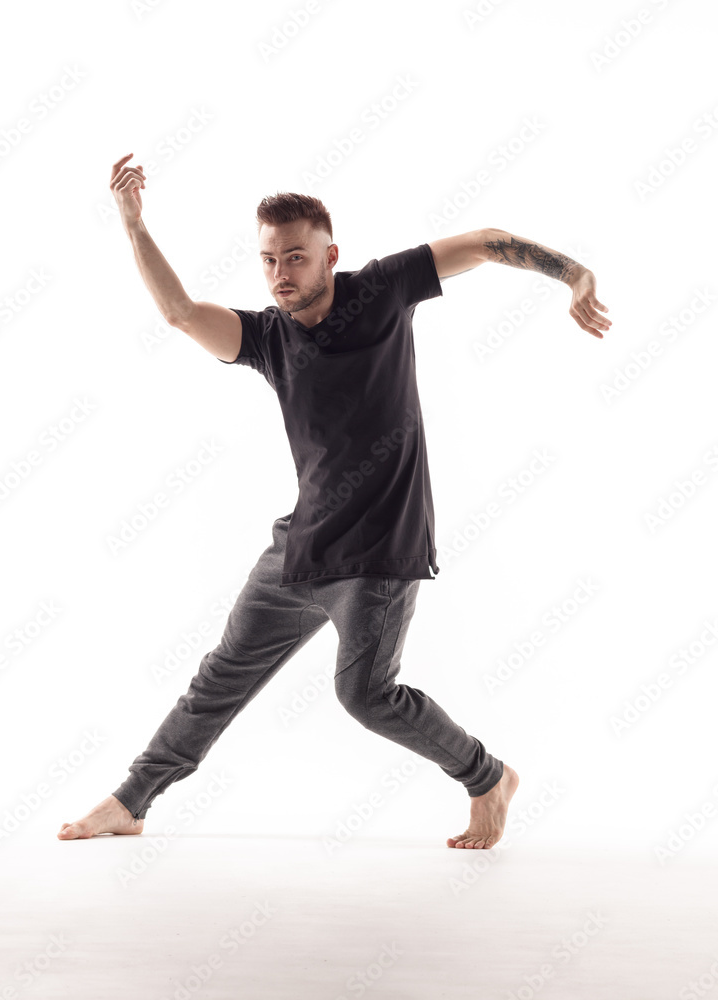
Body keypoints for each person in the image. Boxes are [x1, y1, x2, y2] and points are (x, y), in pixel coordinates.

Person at [58, 154, 611, 849]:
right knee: (222, 673)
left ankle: (488, 777)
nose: (281, 273)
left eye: (295, 256)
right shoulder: (268, 337)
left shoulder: (380, 291)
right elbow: (178, 312)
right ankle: (131, 801)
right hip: (303, 545)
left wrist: (574, 273)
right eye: (268, 260)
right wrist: (134, 224)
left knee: (366, 696)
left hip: (380, 550)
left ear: (330, 256)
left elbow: (481, 241)